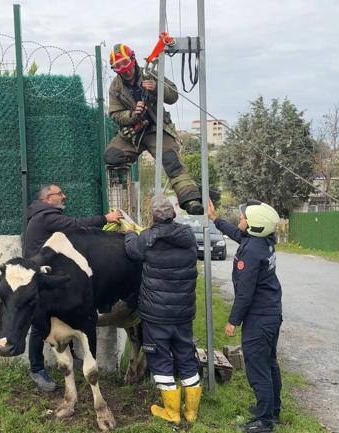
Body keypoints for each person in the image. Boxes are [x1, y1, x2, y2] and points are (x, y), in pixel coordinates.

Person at [22, 183, 122, 392]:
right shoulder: (46, 216)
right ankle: (37, 368)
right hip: (41, 278)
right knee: (40, 325)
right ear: (48, 198)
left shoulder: (44, 214)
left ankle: (74, 357)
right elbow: (75, 225)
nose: (64, 196)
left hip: (52, 276)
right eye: (60, 194)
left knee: (70, 316)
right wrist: (106, 219)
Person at [123, 195, 202, 424]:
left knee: (159, 359)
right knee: (186, 356)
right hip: (183, 313)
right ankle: (191, 412)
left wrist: (129, 232)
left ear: (153, 216)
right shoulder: (188, 236)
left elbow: (131, 250)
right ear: (174, 214)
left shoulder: (147, 238)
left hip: (156, 317)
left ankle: (172, 413)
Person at [208, 199, 283, 433]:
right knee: (269, 363)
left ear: (255, 226)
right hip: (271, 312)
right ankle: (273, 410)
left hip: (259, 318)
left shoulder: (251, 252)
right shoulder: (262, 242)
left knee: (258, 367)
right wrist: (215, 219)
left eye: (244, 218)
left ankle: (264, 422)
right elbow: (237, 234)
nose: (240, 220)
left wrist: (233, 321)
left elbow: (245, 292)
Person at [105, 43, 203, 216]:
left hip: (156, 128)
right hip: (133, 132)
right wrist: (132, 114)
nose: (124, 70)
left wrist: (157, 88)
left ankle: (190, 200)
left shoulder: (151, 74)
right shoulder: (115, 87)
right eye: (118, 66)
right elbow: (115, 114)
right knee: (112, 157)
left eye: (125, 64)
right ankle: (124, 172)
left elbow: (173, 96)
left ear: (133, 59)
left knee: (172, 162)